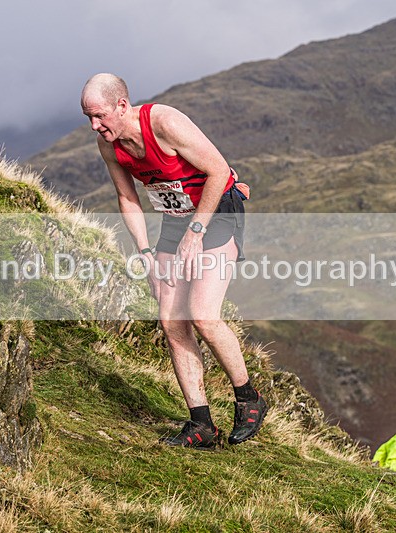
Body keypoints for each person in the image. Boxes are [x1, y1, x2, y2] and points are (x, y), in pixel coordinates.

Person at [81, 73, 267, 448]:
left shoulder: (165, 123)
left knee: (202, 313)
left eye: (99, 115)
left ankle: (249, 399)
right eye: (87, 117)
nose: (94, 126)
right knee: (170, 319)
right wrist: (146, 253)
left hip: (218, 211)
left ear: (122, 105)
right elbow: (128, 198)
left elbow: (218, 171)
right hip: (176, 218)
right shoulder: (111, 144)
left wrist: (196, 234)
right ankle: (201, 424)